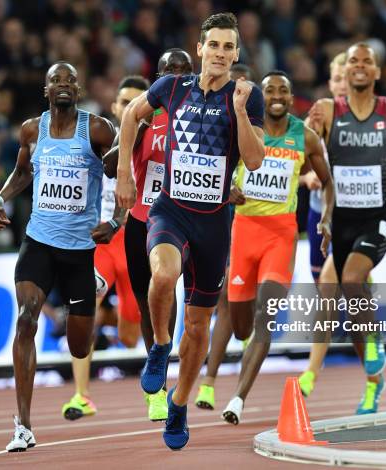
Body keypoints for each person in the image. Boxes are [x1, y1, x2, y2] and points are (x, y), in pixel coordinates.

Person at [116, 12, 265, 450]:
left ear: (236, 54)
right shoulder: (172, 87)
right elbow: (129, 117)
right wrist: (125, 173)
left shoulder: (247, 97)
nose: (219, 53)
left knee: (199, 326)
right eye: (212, 45)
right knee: (162, 275)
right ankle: (160, 345)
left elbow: (254, 161)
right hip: (170, 211)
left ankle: (179, 402)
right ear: (199, 48)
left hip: (214, 223)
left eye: (228, 47)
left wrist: (238, 111)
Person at [0, 62, 115, 452]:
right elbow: (23, 173)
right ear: (46, 90)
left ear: (77, 90)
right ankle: (23, 425)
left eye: (70, 81)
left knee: (78, 347)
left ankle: (92, 285)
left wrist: (118, 220)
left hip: (79, 250)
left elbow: (121, 174)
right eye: (56, 80)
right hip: (39, 241)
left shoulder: (97, 129)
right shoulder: (32, 129)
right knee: (26, 321)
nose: (63, 85)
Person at [304, 42, 386, 413]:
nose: (348, 78)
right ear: (332, 81)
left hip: (379, 217)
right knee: (343, 296)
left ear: (376, 72)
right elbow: (299, 153)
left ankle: (317, 369)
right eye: (343, 73)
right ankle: (374, 380)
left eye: (362, 65)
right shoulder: (324, 114)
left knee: (348, 280)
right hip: (338, 221)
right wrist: (306, 173)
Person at [214, 70, 333, 425]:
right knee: (241, 327)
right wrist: (225, 191)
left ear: (292, 97)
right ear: (260, 97)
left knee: (266, 318)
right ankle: (242, 353)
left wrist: (326, 219)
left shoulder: (305, 136)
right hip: (244, 232)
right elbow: (216, 168)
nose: (277, 95)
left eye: (284, 89)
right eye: (270, 90)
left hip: (280, 235)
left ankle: (238, 397)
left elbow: (329, 184)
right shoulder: (242, 130)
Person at [60, 75, 149, 422]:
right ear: (115, 107)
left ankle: (115, 320)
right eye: (125, 103)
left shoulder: (157, 141)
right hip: (102, 243)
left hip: (137, 245)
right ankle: (81, 395)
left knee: (130, 337)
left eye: (138, 103)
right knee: (85, 304)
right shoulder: (97, 138)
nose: (131, 108)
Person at [120, 49, 195, 420]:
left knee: (168, 287)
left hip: (179, 220)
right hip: (140, 220)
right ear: (159, 76)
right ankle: (157, 383)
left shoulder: (199, 115)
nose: (176, 76)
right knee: (145, 301)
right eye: (170, 70)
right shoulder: (143, 117)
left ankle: (167, 366)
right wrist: (122, 155)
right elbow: (110, 163)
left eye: (184, 70)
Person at [194, 61, 255, 411]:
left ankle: (240, 378)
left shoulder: (253, 122)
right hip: (223, 220)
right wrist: (223, 188)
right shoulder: (214, 115)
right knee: (224, 304)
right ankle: (210, 382)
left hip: (258, 226)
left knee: (246, 311)